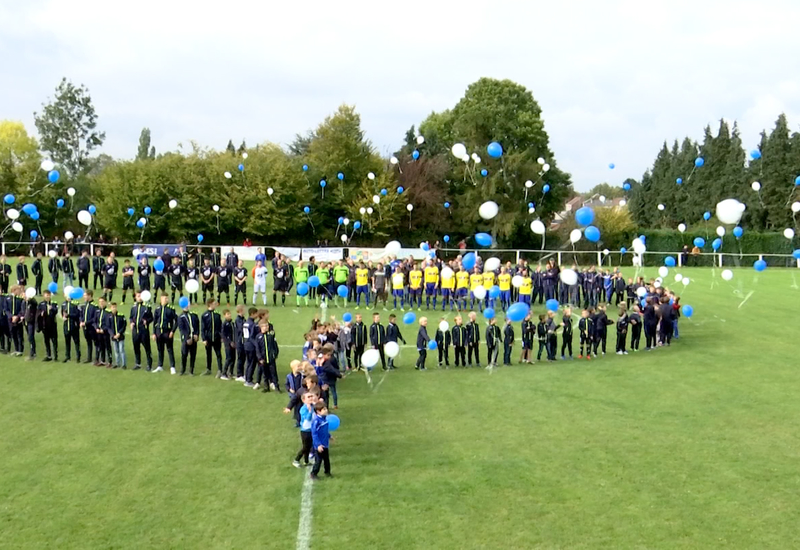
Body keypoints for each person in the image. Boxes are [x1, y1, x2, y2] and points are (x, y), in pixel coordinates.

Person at [152, 294, 177, 373]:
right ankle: (160, 365)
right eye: (165, 298)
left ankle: (172, 367)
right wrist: (154, 333)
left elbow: (176, 321)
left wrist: (172, 331)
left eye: (167, 298)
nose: (166, 299)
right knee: (160, 349)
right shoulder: (157, 309)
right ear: (161, 299)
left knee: (170, 349)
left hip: (167, 332)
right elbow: (155, 322)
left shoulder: (171, 309)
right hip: (159, 332)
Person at [293, 391, 318, 468]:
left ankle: (306, 461)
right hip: (305, 431)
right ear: (304, 400)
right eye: (308, 397)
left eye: (311, 396)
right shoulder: (303, 409)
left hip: (311, 429)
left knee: (309, 446)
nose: (311, 398)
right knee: (305, 447)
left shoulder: (313, 406)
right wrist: (310, 411)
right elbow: (307, 418)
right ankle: (296, 460)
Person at [130, 291, 153, 371]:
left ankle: (149, 364)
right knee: (136, 347)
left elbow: (151, 318)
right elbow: (131, 317)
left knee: (147, 348)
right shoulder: (133, 307)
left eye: (140, 296)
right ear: (135, 297)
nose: (139, 297)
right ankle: (138, 363)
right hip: (135, 331)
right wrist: (131, 323)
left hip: (144, 330)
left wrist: (147, 321)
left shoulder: (147, 307)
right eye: (138, 296)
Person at [255, 318, 280, 392]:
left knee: (274, 373)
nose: (267, 327)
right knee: (265, 374)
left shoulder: (270, 335)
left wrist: (275, 354)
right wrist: (260, 358)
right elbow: (257, 349)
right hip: (263, 359)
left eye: (267, 326)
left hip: (271, 358)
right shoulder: (258, 337)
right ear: (261, 327)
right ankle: (266, 387)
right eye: (265, 326)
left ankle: (277, 387)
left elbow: (275, 346)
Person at [201, 299, 224, 378]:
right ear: (210, 305)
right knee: (208, 354)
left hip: (217, 338)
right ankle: (208, 369)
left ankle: (220, 370)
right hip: (208, 338)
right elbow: (203, 328)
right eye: (214, 303)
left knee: (218, 354)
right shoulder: (204, 315)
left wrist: (221, 336)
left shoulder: (217, 314)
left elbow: (221, 326)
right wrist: (204, 339)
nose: (216, 304)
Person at [310, 401, 332, 480]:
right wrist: (318, 445)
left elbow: (324, 431)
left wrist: (329, 436)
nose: (326, 410)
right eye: (324, 409)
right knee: (318, 460)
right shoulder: (316, 421)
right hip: (319, 445)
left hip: (325, 443)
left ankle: (327, 472)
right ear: (318, 411)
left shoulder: (325, 419)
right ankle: (313, 473)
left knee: (326, 459)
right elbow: (314, 434)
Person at [177, 301, 200, 375]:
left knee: (193, 355)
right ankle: (183, 369)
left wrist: (197, 334)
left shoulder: (193, 315)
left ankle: (191, 370)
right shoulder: (181, 317)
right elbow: (182, 329)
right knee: (184, 354)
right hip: (186, 339)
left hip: (194, 338)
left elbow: (197, 325)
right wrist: (187, 338)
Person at [36, 290, 59, 362]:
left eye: (49, 295)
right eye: (46, 295)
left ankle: (55, 355)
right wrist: (41, 314)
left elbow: (56, 311)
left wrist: (52, 308)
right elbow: (38, 313)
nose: (48, 296)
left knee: (54, 340)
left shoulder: (54, 303)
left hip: (53, 324)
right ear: (44, 296)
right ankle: (48, 355)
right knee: (46, 340)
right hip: (45, 325)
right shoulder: (41, 304)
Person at [319, 344, 342, 408]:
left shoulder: (324, 360)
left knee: (327, 393)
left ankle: (328, 406)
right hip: (330, 377)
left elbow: (332, 369)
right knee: (331, 391)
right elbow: (334, 368)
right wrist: (339, 375)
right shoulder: (332, 359)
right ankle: (334, 404)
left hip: (328, 378)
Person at [61, 293, 81, 363]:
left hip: (74, 326)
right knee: (67, 341)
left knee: (76, 342)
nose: (67, 297)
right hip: (66, 326)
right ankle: (67, 356)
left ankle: (78, 356)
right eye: (66, 296)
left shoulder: (76, 303)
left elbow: (78, 314)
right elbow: (62, 314)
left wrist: (69, 315)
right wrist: (63, 317)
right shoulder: (63, 304)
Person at [79, 291, 98, 363]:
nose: (84, 297)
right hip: (85, 328)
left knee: (96, 343)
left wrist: (85, 323)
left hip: (92, 328)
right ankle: (89, 358)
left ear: (90, 296)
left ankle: (97, 358)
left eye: (85, 295)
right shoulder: (84, 305)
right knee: (88, 342)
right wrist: (81, 321)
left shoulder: (94, 306)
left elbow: (94, 318)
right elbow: (81, 315)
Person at [242, 308, 258, 387]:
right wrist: (256, 345)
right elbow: (251, 337)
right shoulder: (252, 324)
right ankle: (249, 380)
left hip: (246, 345)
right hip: (251, 346)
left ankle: (247, 378)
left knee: (248, 362)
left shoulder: (246, 323)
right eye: (256, 313)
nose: (257, 315)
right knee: (252, 363)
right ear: (252, 314)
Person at [109, 302, 127, 368]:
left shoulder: (121, 315)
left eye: (115, 307)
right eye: (112, 307)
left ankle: (124, 364)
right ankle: (117, 363)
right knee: (116, 350)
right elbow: (109, 327)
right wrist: (112, 334)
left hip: (120, 336)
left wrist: (119, 333)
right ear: (110, 308)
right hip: (113, 337)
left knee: (121, 350)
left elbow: (124, 325)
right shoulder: (109, 316)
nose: (114, 308)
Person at [222, 309, 236, 378]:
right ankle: (224, 373)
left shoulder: (232, 323)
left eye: (230, 314)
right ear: (224, 316)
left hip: (233, 343)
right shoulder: (224, 324)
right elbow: (224, 335)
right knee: (229, 358)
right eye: (227, 314)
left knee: (233, 358)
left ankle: (231, 372)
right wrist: (230, 342)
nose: (229, 315)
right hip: (228, 344)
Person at [24, 289, 37, 360]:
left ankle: (33, 353)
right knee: (29, 337)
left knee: (31, 337)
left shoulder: (32, 301)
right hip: (26, 322)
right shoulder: (24, 302)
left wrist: (29, 299)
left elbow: (34, 303)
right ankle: (32, 352)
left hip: (31, 322)